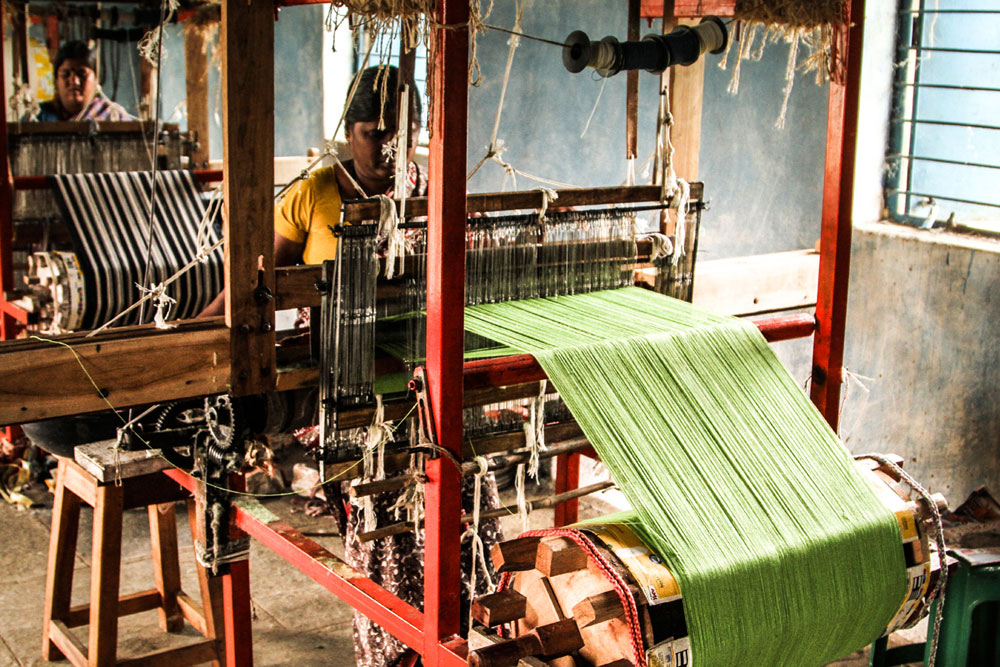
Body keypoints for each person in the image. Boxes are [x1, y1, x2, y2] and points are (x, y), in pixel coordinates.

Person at [202, 66, 503, 667]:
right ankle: (402, 652)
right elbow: (254, 286)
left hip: (424, 380)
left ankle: (470, 631)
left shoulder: (434, 190)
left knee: (467, 490)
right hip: (345, 394)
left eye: (401, 133)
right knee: (388, 515)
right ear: (349, 131)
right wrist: (199, 335)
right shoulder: (314, 193)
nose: (387, 148)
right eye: (373, 133)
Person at [27, 41, 133, 122]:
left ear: (96, 80)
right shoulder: (37, 117)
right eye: (65, 74)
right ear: (56, 81)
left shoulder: (113, 116)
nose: (75, 81)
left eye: (82, 74)